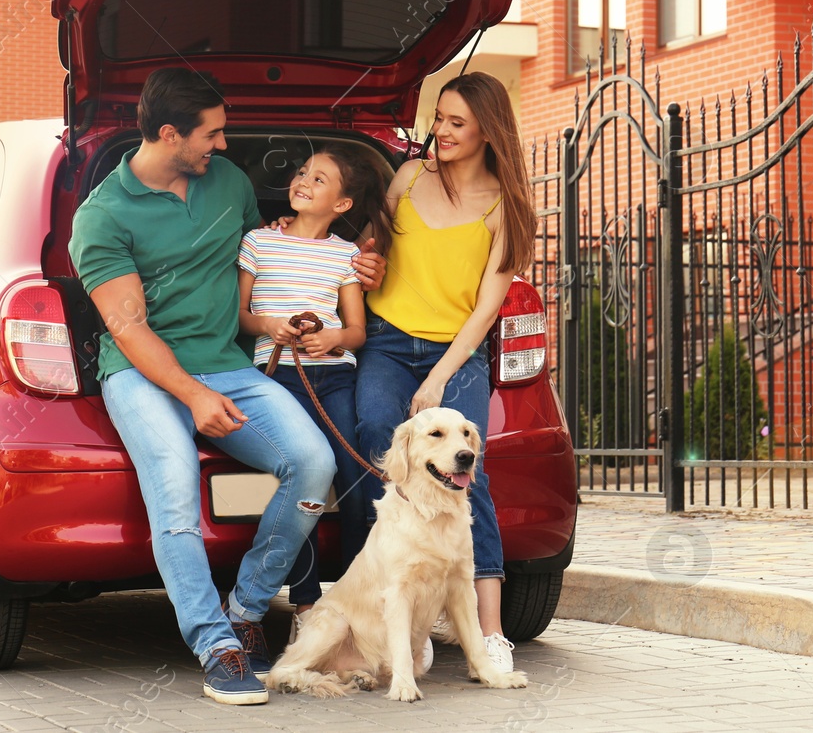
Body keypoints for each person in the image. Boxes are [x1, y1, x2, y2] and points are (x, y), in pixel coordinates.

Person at [67, 67, 383, 706]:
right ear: (167, 133)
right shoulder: (101, 216)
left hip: (228, 366)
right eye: (211, 133)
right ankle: (217, 644)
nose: (222, 143)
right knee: (175, 491)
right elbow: (128, 330)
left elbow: (275, 255)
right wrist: (193, 395)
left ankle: (245, 606)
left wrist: (365, 258)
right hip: (141, 377)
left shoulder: (230, 183)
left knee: (314, 463)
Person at [354, 71, 538, 674]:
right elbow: (368, 245)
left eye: (458, 123)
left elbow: (487, 309)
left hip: (454, 350)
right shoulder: (408, 177)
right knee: (384, 450)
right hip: (384, 340)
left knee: (467, 477)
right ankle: (402, 614)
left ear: (489, 129)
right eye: (440, 119)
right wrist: (366, 263)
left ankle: (489, 634)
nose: (443, 132)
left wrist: (438, 379)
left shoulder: (502, 206)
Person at [235, 145, 390, 637]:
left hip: (336, 376)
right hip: (279, 376)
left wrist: (333, 337)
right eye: (303, 172)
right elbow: (239, 316)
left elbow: (357, 332)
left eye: (320, 179)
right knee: (305, 483)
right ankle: (305, 605)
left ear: (342, 205)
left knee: (355, 480)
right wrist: (270, 326)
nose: (304, 180)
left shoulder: (346, 255)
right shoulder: (259, 242)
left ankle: (360, 598)